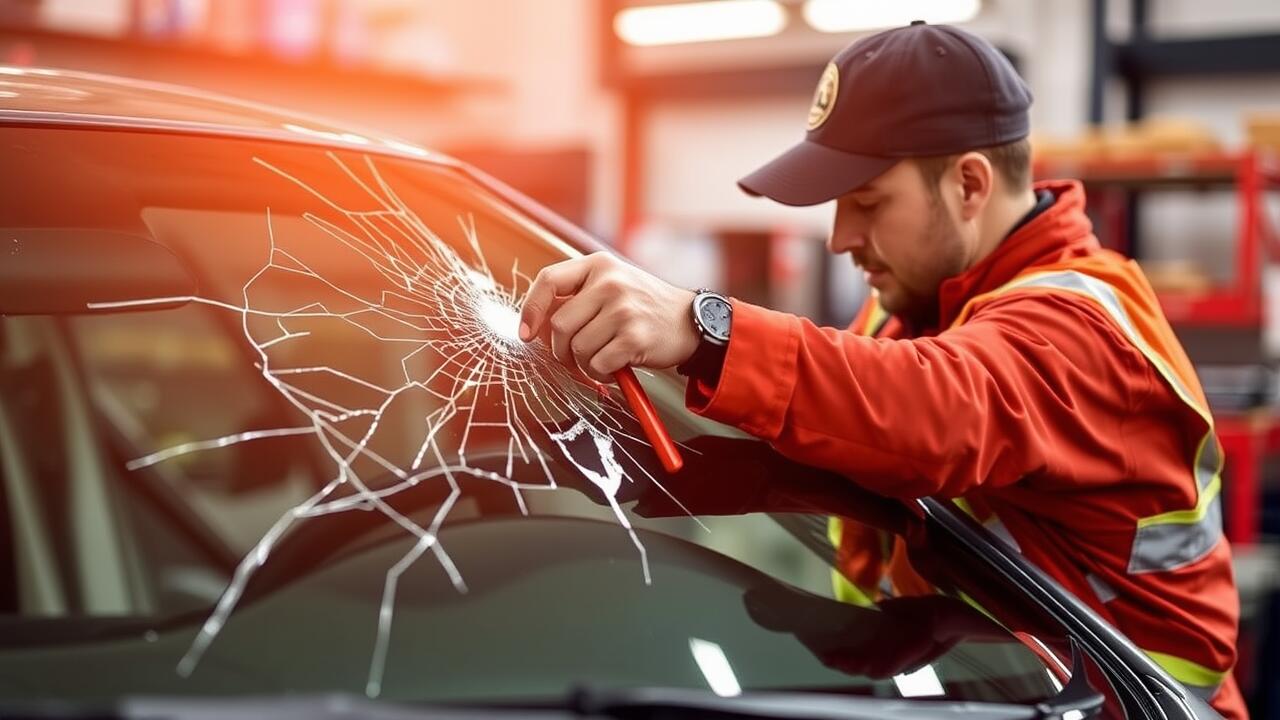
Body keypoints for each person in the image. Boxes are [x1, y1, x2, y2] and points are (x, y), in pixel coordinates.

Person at [517, 21, 1243, 718]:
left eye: (866, 203)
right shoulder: (909, 310)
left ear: (968, 186)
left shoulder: (1083, 327)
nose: (840, 239)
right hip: (989, 691)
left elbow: (938, 412)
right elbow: (863, 427)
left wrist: (703, 330)